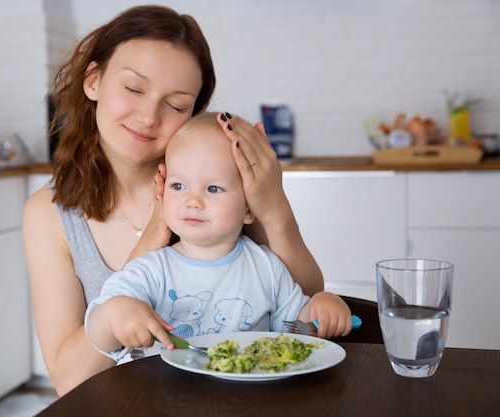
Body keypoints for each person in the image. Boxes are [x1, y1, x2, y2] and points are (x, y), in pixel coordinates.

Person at [22, 5, 323, 396]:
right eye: (133, 89)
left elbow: (302, 309)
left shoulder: (223, 188)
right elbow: (70, 380)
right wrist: (152, 237)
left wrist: (274, 206)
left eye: (177, 105)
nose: (148, 116)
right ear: (93, 81)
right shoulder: (49, 214)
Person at [84, 112, 352, 359]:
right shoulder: (152, 270)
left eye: (213, 188)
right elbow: (98, 332)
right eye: (179, 185)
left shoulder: (266, 267)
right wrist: (115, 314)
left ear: (249, 208)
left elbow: (296, 330)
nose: (193, 200)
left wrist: (321, 309)